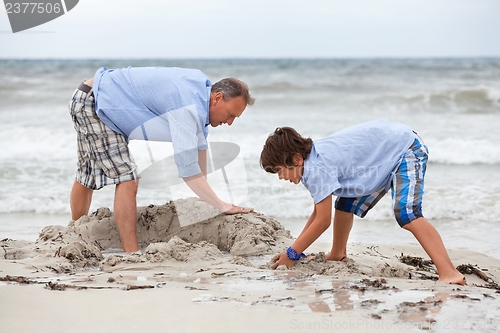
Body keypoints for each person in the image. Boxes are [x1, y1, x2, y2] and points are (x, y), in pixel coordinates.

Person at [69, 66, 255, 253]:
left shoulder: (201, 92)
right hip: (95, 103)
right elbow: (188, 170)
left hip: (92, 95)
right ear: (217, 98)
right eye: (230, 114)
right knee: (128, 179)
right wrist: (221, 205)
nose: (230, 123)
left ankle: (74, 233)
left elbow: (199, 147)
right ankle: (131, 254)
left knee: (88, 174)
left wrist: (207, 200)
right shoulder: (187, 107)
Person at [260, 119, 466, 285]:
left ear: (296, 159)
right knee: (344, 203)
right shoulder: (309, 163)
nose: (280, 177)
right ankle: (338, 253)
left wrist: (292, 253)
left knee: (407, 214)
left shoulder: (315, 169)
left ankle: (449, 272)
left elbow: (323, 221)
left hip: (404, 149)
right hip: (373, 159)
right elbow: (317, 213)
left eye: (280, 171)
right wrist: (295, 250)